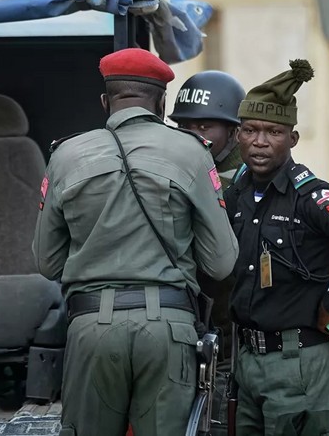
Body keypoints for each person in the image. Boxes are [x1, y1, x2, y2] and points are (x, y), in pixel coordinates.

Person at [33, 48, 239, 436]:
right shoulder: (193, 153)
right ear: (162, 103)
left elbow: (46, 262)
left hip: (91, 327)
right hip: (169, 328)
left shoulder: (65, 155)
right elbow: (221, 263)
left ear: (104, 101)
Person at [224, 59, 329, 436]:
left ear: (292, 139)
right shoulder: (237, 194)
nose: (259, 141)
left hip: (298, 360)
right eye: (250, 130)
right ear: (238, 135)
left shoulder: (311, 197)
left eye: (273, 131)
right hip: (248, 361)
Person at [168, 70, 246, 436]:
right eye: (184, 126)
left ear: (233, 131)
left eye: (204, 127)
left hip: (233, 330)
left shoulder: (250, 175)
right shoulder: (171, 164)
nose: (193, 136)